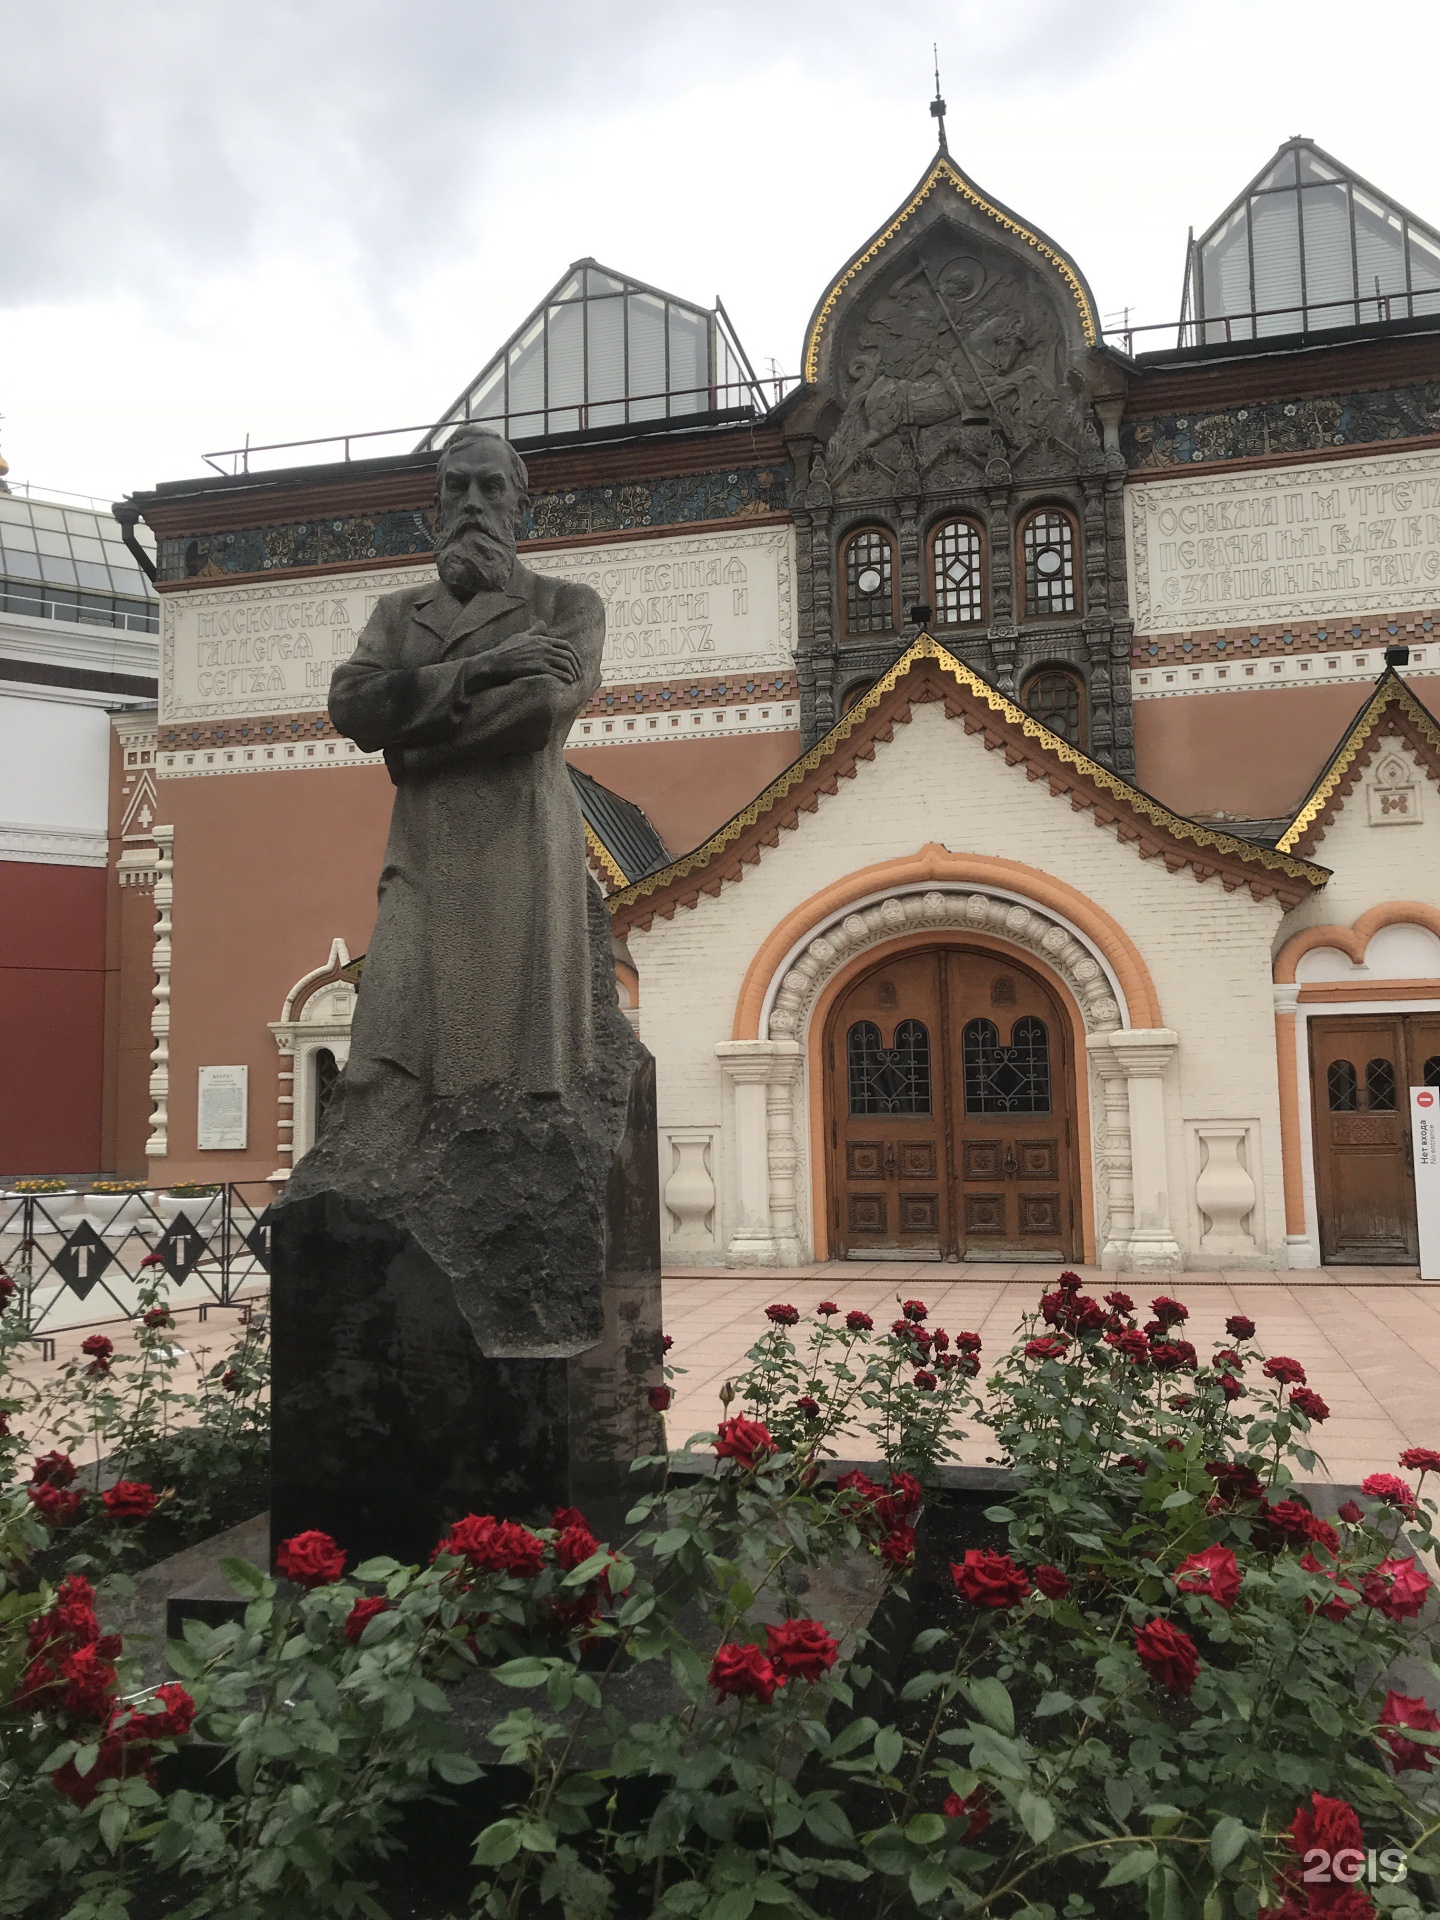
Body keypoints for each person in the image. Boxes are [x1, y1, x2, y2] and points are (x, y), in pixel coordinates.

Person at [325, 424, 606, 1157]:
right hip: (421, 854)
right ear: (435, 509)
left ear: (521, 506)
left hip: (516, 850)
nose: (474, 503)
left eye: (491, 487)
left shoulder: (566, 605)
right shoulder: (397, 614)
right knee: (387, 1026)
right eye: (458, 487)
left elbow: (542, 711)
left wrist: (411, 747)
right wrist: (483, 670)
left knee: (503, 1060)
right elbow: (353, 707)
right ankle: (378, 1175)